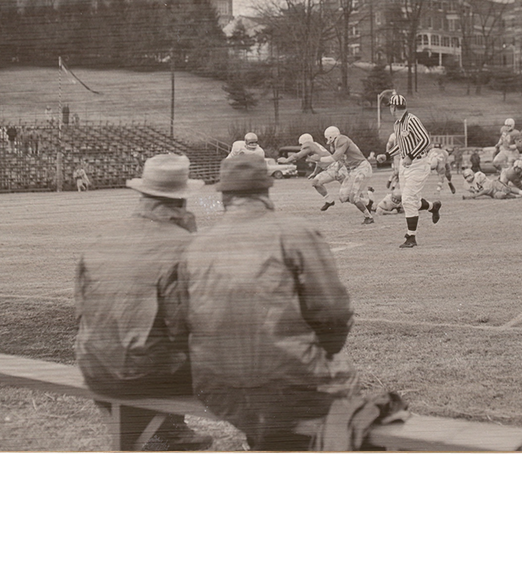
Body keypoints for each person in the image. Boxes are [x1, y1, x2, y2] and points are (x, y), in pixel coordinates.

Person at [176, 153, 359, 450]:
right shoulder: (296, 232)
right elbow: (334, 314)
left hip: (217, 389)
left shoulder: (196, 245)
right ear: (266, 189)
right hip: (288, 388)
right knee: (340, 374)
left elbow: (185, 319)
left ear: (223, 195)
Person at [74, 154, 213, 451]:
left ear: (143, 193)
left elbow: (81, 309)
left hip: (93, 363)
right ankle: (169, 428)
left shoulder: (104, 236)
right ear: (182, 198)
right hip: (141, 375)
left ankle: (169, 428)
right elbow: (186, 326)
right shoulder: (184, 244)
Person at [388, 93, 441, 248]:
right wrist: (387, 154)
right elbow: (400, 145)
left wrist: (411, 155)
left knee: (407, 200)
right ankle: (433, 206)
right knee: (412, 201)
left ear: (394, 107)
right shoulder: (398, 124)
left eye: (390, 106)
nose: (389, 110)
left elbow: (425, 139)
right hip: (405, 166)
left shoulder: (412, 120)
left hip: (418, 163)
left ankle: (411, 237)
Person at [317, 126, 376, 224]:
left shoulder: (341, 139)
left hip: (362, 168)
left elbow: (335, 157)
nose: (328, 142)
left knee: (354, 197)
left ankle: (368, 217)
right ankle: (368, 203)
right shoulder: (338, 143)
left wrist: (319, 159)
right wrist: (337, 170)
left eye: (328, 139)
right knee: (343, 196)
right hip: (353, 170)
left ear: (331, 137)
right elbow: (341, 160)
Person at [280, 133, 337, 207]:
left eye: (301, 144)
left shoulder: (309, 146)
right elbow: (319, 162)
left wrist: (286, 160)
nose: (301, 146)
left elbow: (297, 156)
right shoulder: (316, 146)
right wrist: (315, 173)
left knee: (347, 194)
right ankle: (329, 201)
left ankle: (329, 200)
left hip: (334, 168)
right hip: (334, 167)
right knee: (316, 182)